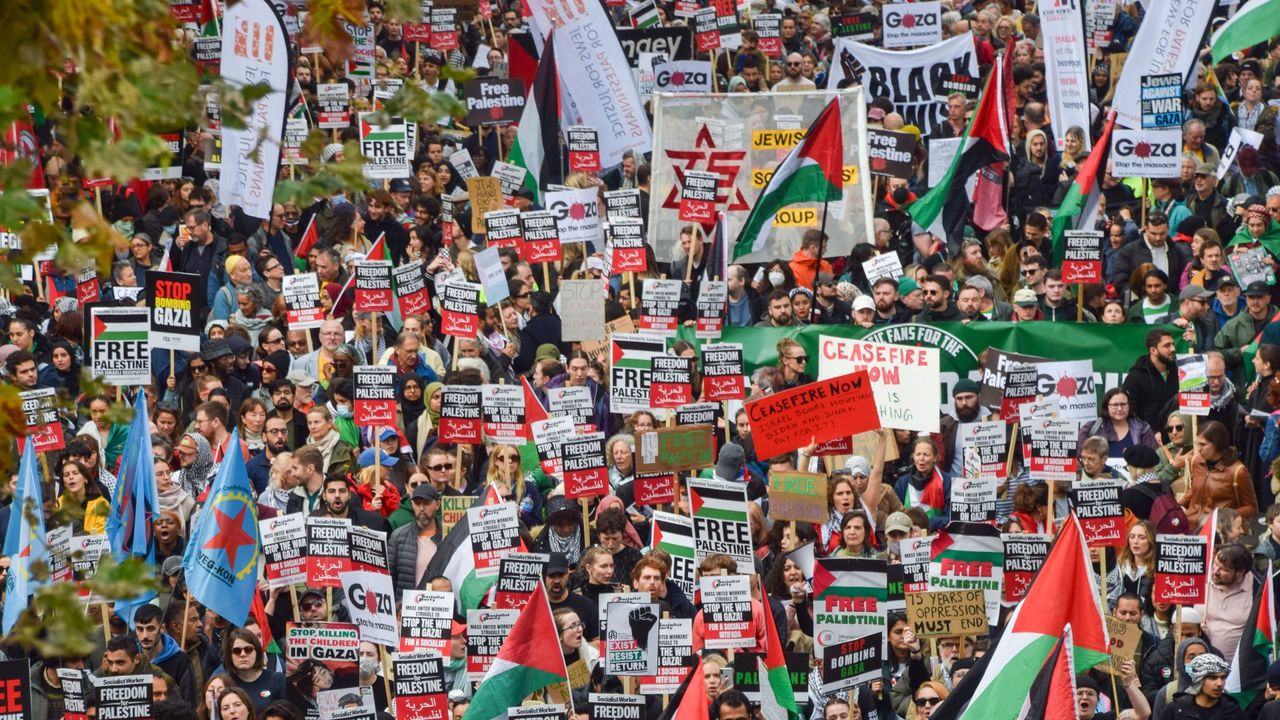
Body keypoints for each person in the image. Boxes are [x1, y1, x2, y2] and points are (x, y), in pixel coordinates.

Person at [1181, 420, 1257, 528]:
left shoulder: (1238, 471)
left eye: (1203, 444)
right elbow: (1194, 490)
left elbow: (1251, 507)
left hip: (1219, 531)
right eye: (1197, 444)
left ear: (1217, 444)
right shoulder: (1196, 461)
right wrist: (1178, 506)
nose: (1198, 449)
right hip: (1191, 527)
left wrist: (1225, 517)